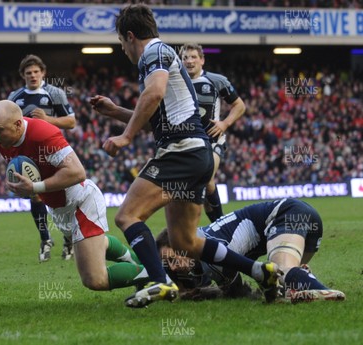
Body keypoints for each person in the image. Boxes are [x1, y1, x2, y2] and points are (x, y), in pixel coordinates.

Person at [90, 4, 280, 307]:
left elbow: (152, 95)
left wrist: (125, 137)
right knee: (185, 241)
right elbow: (157, 112)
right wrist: (115, 112)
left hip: (180, 152)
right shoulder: (161, 55)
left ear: (129, 36)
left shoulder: (154, 52)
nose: (123, 49)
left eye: (121, 42)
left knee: (127, 216)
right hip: (198, 155)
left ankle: (159, 282)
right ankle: (260, 270)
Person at [0, 100, 153, 293]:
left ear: (18, 125)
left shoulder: (43, 134)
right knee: (97, 244)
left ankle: (156, 272)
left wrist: (36, 188)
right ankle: (141, 263)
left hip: (80, 203)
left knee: (95, 279)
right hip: (59, 208)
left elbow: (77, 172)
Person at [156, 198, 346, 303]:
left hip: (286, 215)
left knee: (281, 271)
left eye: (176, 257)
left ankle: (326, 292)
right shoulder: (200, 238)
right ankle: (301, 280)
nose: (176, 266)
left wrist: (205, 293)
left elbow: (237, 291)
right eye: (169, 263)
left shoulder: (210, 256)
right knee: (287, 282)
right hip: (306, 219)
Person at [8, 54, 76, 262]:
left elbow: (71, 122)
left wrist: (48, 119)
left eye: (36, 72)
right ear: (22, 75)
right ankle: (45, 239)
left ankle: (68, 239)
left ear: (43, 73)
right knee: (34, 195)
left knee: (60, 199)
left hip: (54, 152)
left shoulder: (54, 93)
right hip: (29, 154)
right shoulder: (15, 97)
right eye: (28, 73)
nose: (33, 76)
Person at [180, 43, 246, 222]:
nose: (189, 61)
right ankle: (216, 224)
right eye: (185, 58)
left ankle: (221, 223)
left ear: (202, 60)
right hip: (186, 143)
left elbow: (239, 105)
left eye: (193, 57)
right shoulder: (175, 82)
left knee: (207, 179)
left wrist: (224, 123)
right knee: (198, 187)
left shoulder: (216, 80)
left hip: (213, 140)